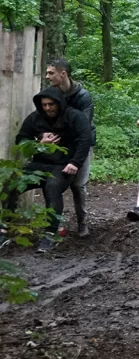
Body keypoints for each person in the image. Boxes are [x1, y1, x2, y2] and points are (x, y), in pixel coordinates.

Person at [3, 88, 92, 252]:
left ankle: (50, 235)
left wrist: (75, 163)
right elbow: (21, 139)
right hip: (39, 164)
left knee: (52, 187)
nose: (48, 108)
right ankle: (4, 228)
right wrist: (39, 144)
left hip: (63, 165)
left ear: (59, 103)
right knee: (11, 184)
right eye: (44, 105)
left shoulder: (74, 116)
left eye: (51, 104)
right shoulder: (35, 118)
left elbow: (85, 139)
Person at [45, 60, 95, 237]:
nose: (47, 76)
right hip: (58, 145)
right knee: (50, 183)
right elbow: (43, 118)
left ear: (63, 74)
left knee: (78, 185)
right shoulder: (50, 94)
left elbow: (84, 127)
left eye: (51, 73)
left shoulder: (83, 96)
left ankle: (82, 223)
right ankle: (53, 225)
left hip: (81, 145)